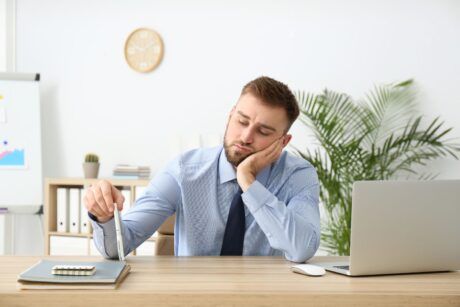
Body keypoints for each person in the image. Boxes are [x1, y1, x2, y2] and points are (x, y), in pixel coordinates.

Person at [85, 76, 320, 262]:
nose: (246, 137)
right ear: (230, 116)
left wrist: (248, 182)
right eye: (242, 121)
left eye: (264, 132)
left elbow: (301, 249)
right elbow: (117, 248)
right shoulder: (183, 170)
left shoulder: (297, 175)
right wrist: (104, 217)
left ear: (283, 142)